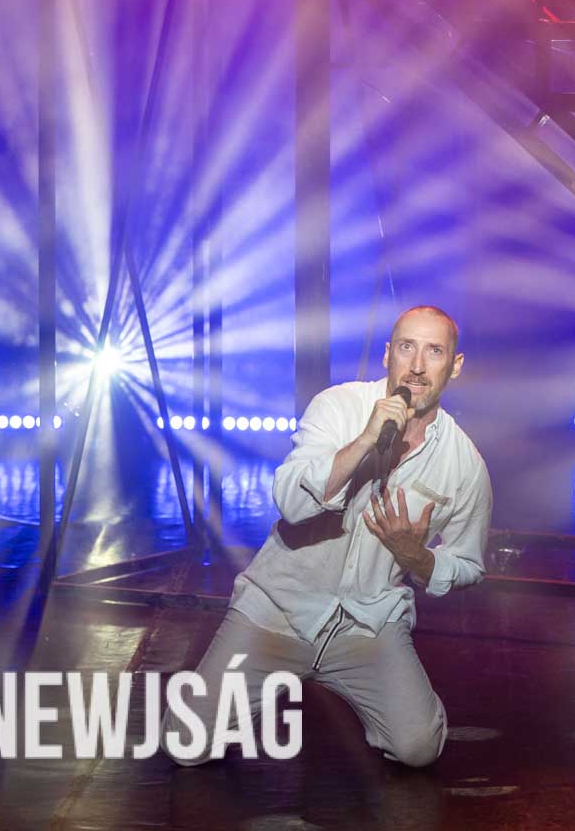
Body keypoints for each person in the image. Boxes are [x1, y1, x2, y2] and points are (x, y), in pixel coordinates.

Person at [167, 304, 492, 767]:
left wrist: (417, 558)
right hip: (279, 612)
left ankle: (398, 701)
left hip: (367, 624)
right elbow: (291, 502)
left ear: (454, 365)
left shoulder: (465, 464)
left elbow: (469, 564)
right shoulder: (338, 406)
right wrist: (365, 440)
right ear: (388, 355)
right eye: (407, 347)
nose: (418, 366)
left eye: (434, 351)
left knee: (417, 749)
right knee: (185, 742)